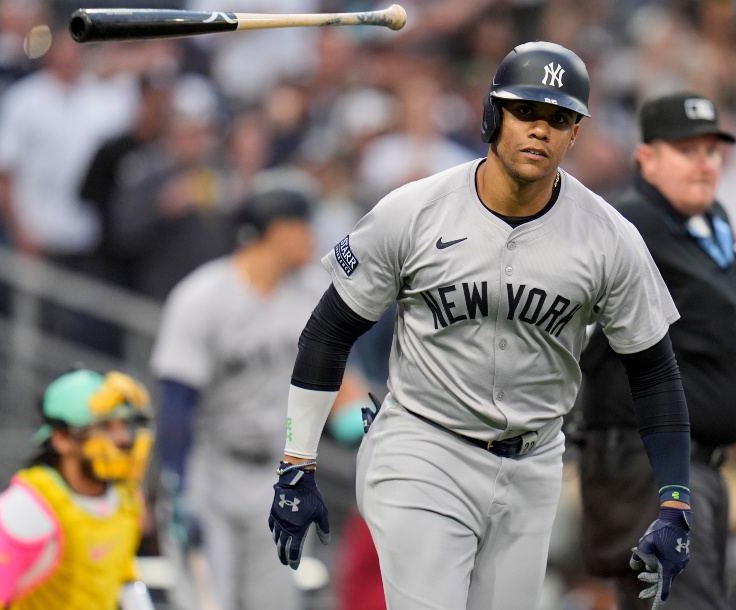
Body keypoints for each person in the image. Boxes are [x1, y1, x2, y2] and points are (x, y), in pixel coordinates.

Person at [267, 41, 695, 610]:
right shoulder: (414, 210)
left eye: (559, 118)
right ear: (493, 115)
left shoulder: (609, 239)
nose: (540, 130)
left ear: (575, 134)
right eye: (526, 112)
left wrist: (675, 501)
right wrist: (298, 461)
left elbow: (655, 371)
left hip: (535, 462)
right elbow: (329, 329)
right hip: (424, 445)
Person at [575, 91, 736, 610]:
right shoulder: (624, 229)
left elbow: (728, 371)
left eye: (712, 151)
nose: (704, 162)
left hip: (702, 469)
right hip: (649, 466)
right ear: (646, 157)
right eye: (686, 150)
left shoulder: (717, 233)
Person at [150, 172, 361, 610]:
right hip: (210, 471)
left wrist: (368, 426)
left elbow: (344, 386)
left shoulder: (310, 295)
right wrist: (177, 488)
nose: (313, 238)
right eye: (306, 226)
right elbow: (176, 405)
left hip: (280, 474)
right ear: (279, 229)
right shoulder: (202, 297)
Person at [0, 368, 156, 610]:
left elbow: (121, 574)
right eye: (104, 426)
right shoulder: (27, 509)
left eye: (123, 424)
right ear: (61, 438)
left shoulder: (126, 498)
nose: (122, 438)